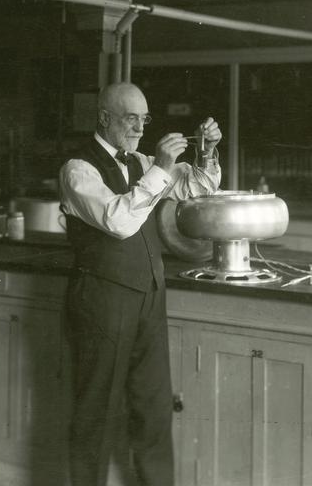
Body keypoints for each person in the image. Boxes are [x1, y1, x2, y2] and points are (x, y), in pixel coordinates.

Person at [59, 81, 222, 486]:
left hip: (148, 296)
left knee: (153, 409)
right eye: (131, 118)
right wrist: (161, 169)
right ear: (104, 118)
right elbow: (119, 220)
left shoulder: (140, 162)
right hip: (102, 299)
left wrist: (204, 152)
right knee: (96, 412)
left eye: (144, 119)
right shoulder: (78, 169)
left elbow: (197, 186)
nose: (139, 128)